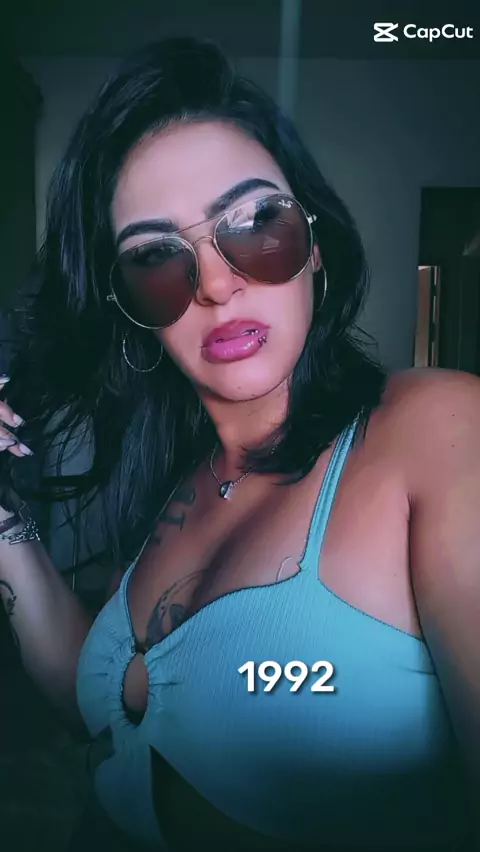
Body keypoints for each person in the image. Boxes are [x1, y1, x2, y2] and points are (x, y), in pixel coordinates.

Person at [0, 36, 479, 852]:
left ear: (316, 244)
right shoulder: (171, 478)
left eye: (258, 221)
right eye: (156, 257)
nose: (218, 284)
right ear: (127, 306)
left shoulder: (439, 430)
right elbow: (108, 701)